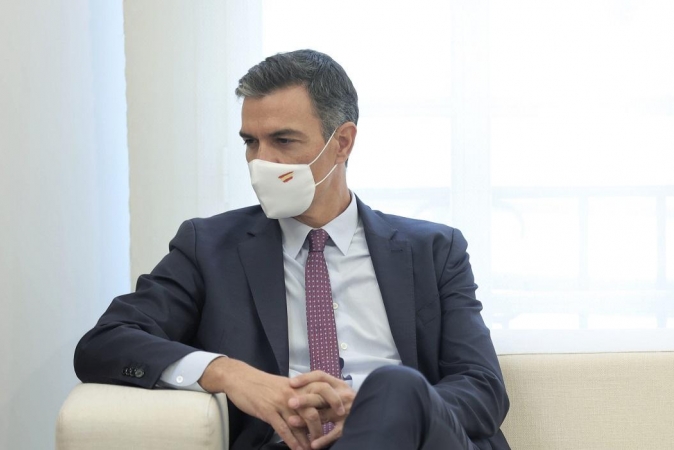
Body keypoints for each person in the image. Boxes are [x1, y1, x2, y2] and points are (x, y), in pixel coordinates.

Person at [74, 49, 510, 450]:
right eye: (251, 142)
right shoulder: (207, 247)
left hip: (417, 441)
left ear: (342, 143)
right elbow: (104, 343)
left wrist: (374, 409)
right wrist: (230, 373)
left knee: (395, 386)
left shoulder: (433, 250)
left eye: (283, 141)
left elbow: (482, 388)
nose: (262, 161)